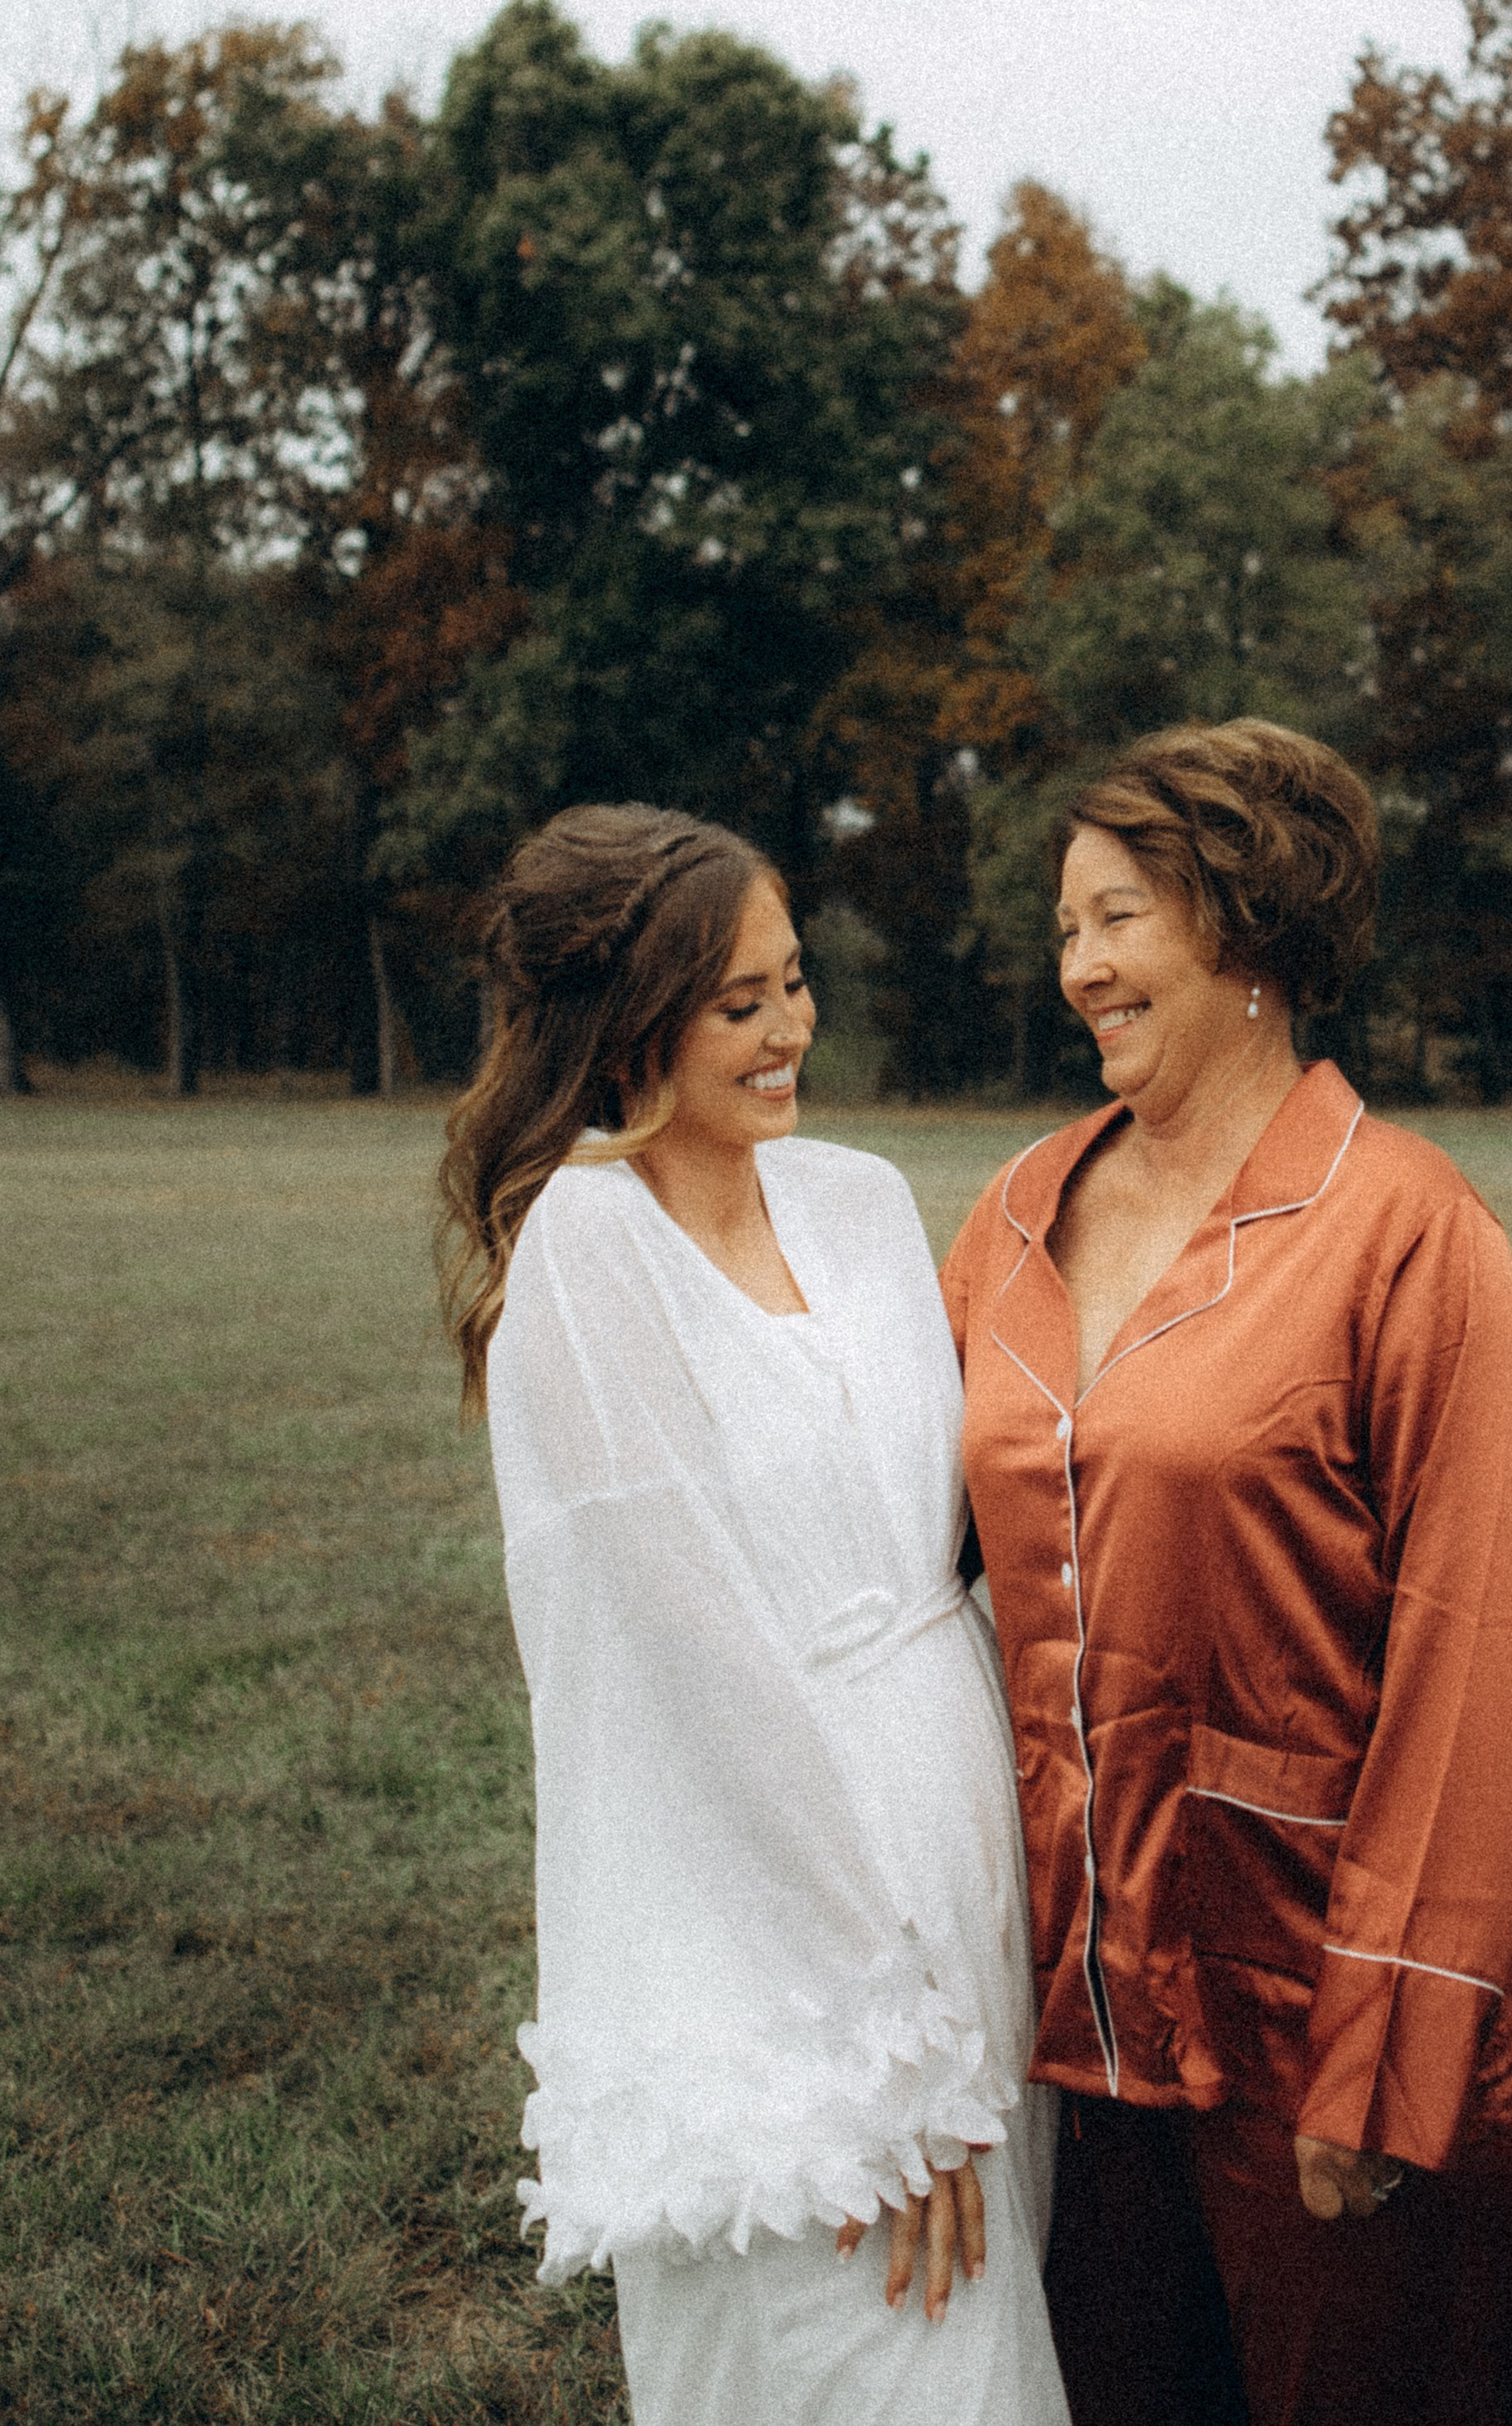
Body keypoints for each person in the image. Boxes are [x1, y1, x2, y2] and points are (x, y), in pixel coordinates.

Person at [941, 720, 1512, 2426]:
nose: (1078, 966)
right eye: (1065, 927)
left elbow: (1467, 1655)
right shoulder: (1013, 1214)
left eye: (1117, 917)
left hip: (1318, 2011)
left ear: (1244, 921)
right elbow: (901, 1573)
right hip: (1079, 2015)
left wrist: (1386, 2057)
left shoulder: (1408, 1231)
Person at [439, 802, 1069, 2426]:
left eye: (795, 982)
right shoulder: (586, 1253)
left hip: (964, 1843)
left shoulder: (860, 1200)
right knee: (872, 2353)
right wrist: (889, 2058)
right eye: (740, 1002)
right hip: (771, 1912)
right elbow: (698, 1688)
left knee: (1003, 2322)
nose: (792, 1028)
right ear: (626, 1025)